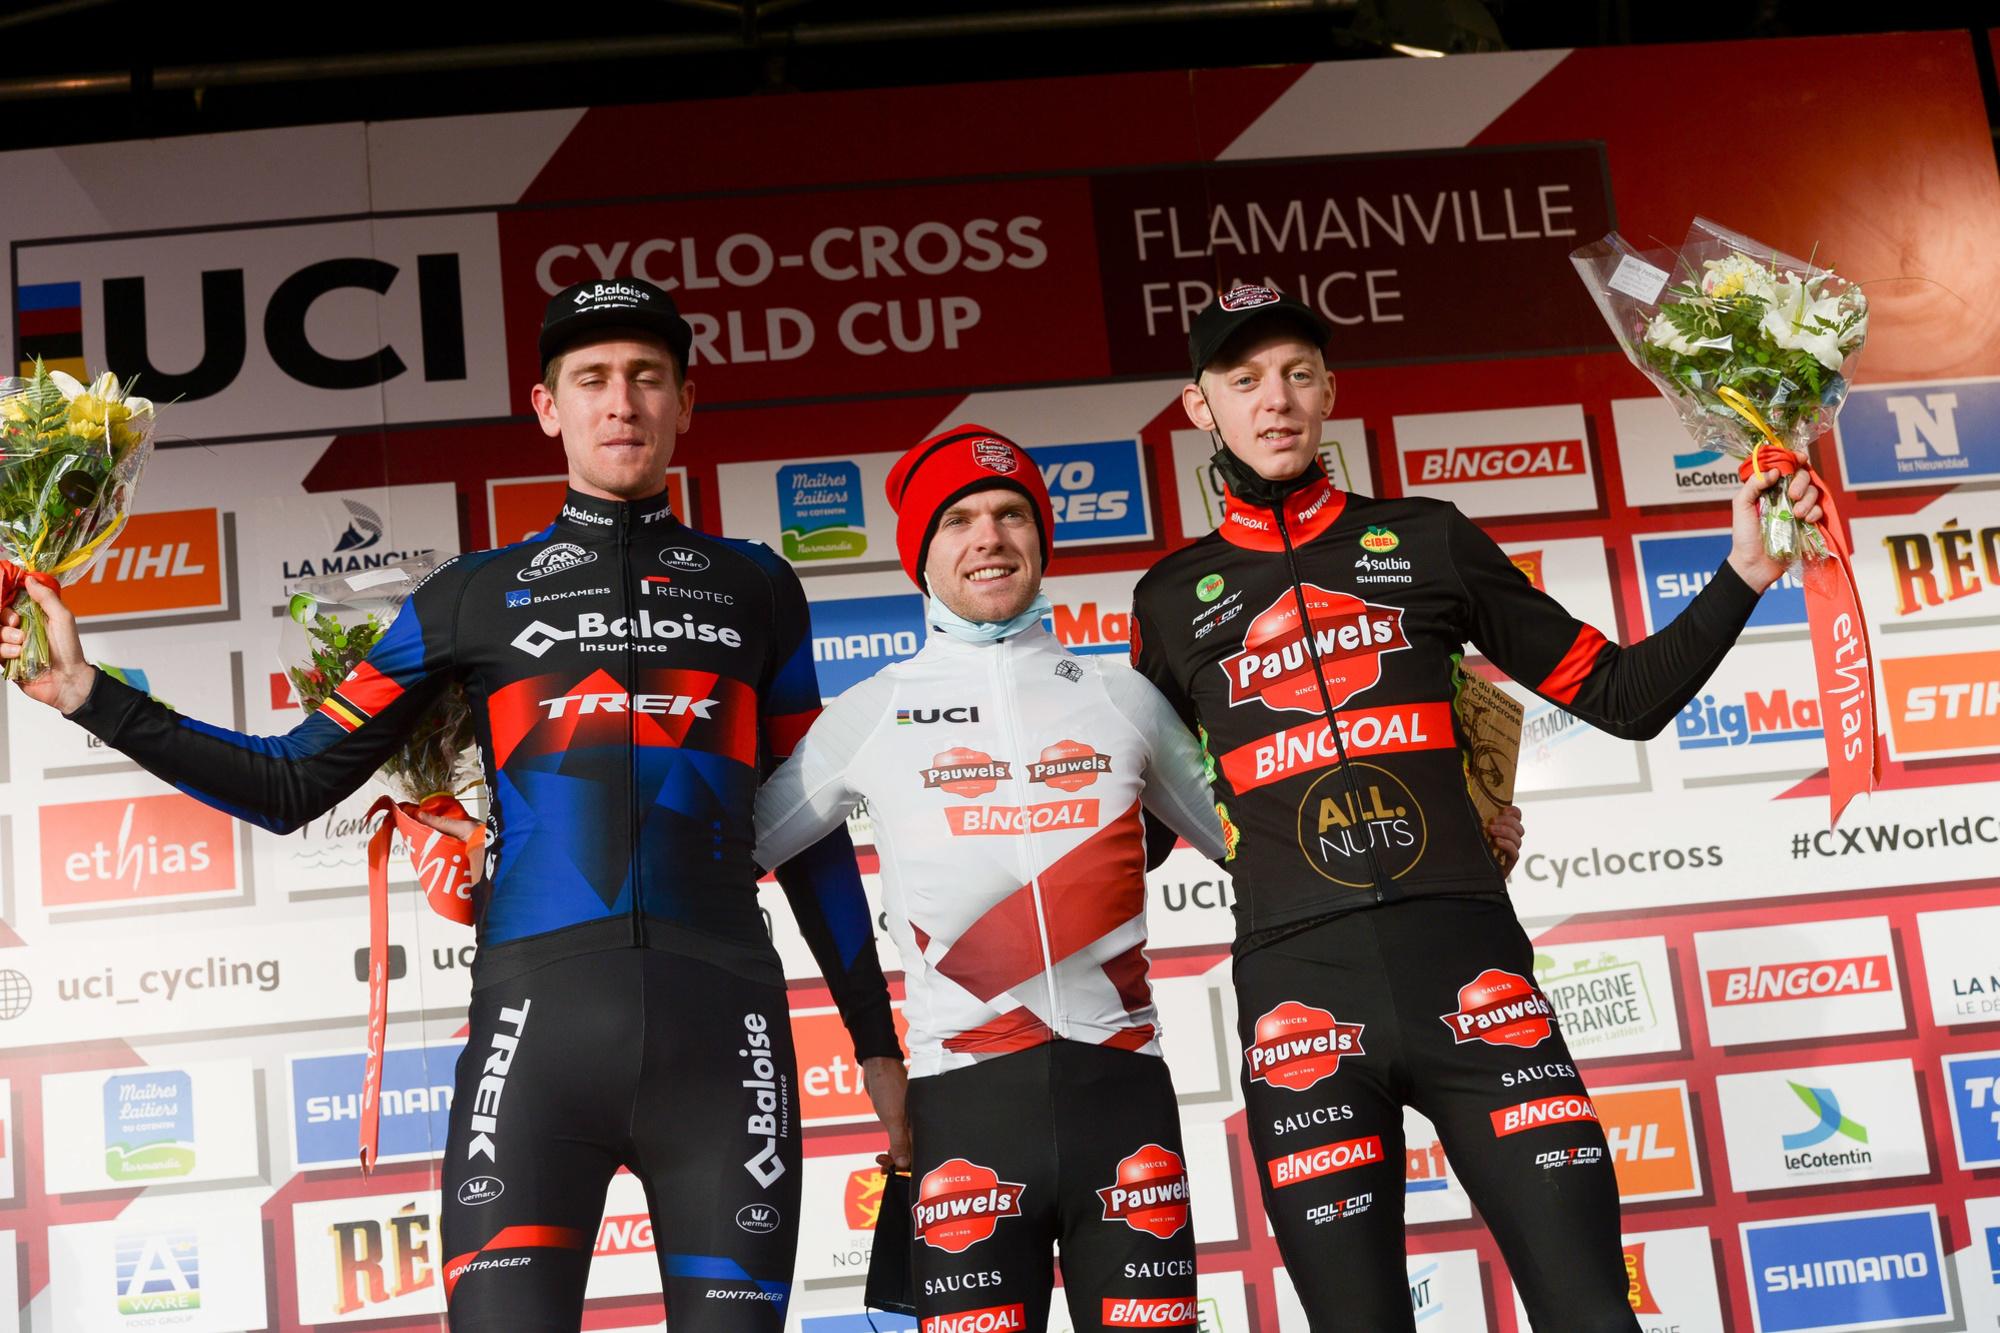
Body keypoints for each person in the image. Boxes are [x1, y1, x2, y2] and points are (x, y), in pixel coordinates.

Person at [3, 277, 906, 1332]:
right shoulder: (472, 595)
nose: (622, 403)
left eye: (647, 378)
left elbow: (809, 838)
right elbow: (297, 781)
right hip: (533, 1046)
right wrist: (87, 695)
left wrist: (878, 1051)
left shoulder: (757, 587)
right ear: (546, 406)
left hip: (727, 1041)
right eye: (594, 379)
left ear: (685, 403)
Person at [1129, 285, 1822, 1332]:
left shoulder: (1427, 537)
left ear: (1329, 392)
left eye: (1296, 374)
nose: (1273, 401)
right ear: (1199, 408)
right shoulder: (1167, 599)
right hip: (1299, 1004)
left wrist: (1744, 570)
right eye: (1243, 381)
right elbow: (1137, 829)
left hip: (1471, 975)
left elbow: (1621, 698)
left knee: (1592, 1313)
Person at [754, 424, 1528, 1329]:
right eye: (958, 520)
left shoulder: (1122, 696)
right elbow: (731, 853)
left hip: (1121, 1102)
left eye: (1010, 514)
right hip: (962, 1102)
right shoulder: (870, 712)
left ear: (1042, 540)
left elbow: (1265, 839)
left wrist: (1446, 834)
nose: (989, 537)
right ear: (923, 554)